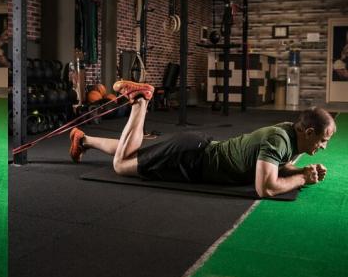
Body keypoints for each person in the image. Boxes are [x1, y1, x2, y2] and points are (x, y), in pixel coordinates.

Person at [69, 80, 336, 198]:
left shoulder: (288, 133)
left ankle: (84, 140)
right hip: (190, 159)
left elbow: (276, 166)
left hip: (195, 148)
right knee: (121, 166)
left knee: (136, 153)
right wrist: (301, 178)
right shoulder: (280, 140)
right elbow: (265, 188)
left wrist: (302, 170)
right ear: (309, 132)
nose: (322, 147)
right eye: (323, 141)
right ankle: (140, 103)